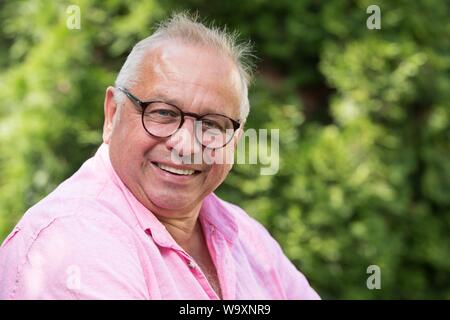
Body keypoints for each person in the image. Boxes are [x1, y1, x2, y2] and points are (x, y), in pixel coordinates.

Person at [0, 13, 320, 300]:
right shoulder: (76, 241)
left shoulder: (247, 237)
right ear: (112, 114)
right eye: (163, 113)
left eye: (211, 124)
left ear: (235, 138)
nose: (186, 145)